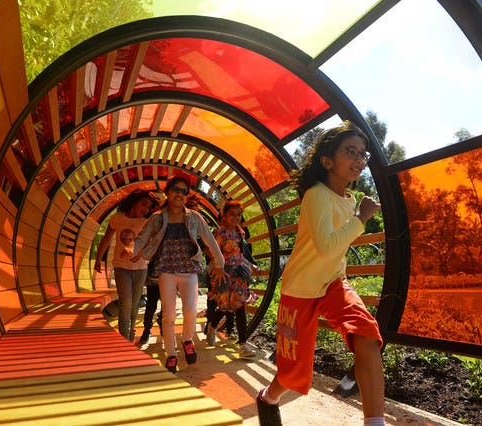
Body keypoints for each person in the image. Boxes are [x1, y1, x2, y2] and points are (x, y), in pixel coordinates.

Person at [256, 121, 385, 426]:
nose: (358, 159)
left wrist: (357, 216)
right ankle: (268, 398)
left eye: (362, 154)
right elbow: (327, 246)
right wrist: (361, 219)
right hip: (301, 288)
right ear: (328, 161)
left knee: (367, 334)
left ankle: (374, 423)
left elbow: (334, 253)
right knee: (294, 373)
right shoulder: (316, 195)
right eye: (349, 151)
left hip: (333, 284)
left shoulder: (350, 200)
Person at [132, 175, 226, 373]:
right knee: (168, 315)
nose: (180, 194)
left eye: (184, 191)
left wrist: (220, 263)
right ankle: (171, 353)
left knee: (190, 310)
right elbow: (141, 238)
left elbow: (209, 239)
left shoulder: (194, 217)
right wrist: (132, 251)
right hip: (166, 271)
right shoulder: (157, 218)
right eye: (176, 190)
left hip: (188, 270)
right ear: (168, 192)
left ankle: (187, 339)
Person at [94, 189, 159, 341]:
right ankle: (125, 339)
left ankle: (130, 333)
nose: (146, 209)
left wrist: (142, 254)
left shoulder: (145, 222)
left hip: (140, 268)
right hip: (121, 267)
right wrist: (98, 259)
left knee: (135, 303)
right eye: (144, 204)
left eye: (149, 207)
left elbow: (150, 243)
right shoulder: (117, 218)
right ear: (135, 202)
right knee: (126, 302)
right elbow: (106, 238)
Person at [206, 200, 257, 359]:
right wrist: (219, 263)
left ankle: (243, 345)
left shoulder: (241, 232)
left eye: (239, 215)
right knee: (224, 306)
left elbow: (242, 253)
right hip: (224, 274)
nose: (236, 218)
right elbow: (210, 250)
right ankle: (213, 325)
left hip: (239, 274)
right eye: (232, 214)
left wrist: (251, 265)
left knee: (240, 305)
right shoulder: (220, 233)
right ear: (225, 215)